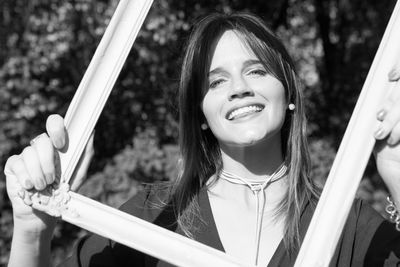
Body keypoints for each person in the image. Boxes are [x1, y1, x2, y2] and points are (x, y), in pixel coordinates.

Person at [4, 12, 400, 267]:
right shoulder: (151, 217)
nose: (239, 89)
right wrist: (31, 229)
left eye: (257, 71)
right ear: (202, 115)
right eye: (216, 81)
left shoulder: (347, 226)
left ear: (289, 93)